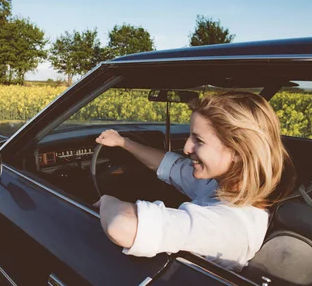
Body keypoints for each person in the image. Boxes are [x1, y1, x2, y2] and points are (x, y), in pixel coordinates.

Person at [92, 90, 294, 271]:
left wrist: (108, 202)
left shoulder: (226, 225)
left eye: (199, 140)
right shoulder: (225, 187)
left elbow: (122, 226)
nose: (187, 148)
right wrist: (123, 142)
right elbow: (171, 166)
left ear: (238, 152)